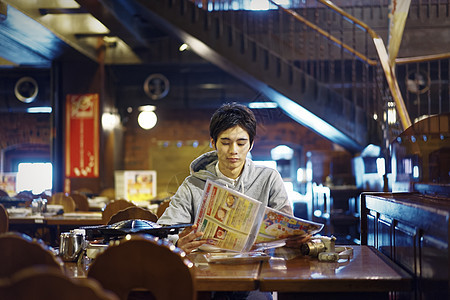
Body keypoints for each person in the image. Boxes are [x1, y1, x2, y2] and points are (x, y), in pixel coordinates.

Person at [157, 102, 309, 253]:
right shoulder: (192, 184)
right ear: (213, 143)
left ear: (251, 145)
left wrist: (293, 240)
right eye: (225, 143)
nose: (233, 150)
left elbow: (287, 230)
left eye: (241, 143)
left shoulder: (269, 178)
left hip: (257, 267)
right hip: (206, 269)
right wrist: (177, 243)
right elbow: (162, 232)